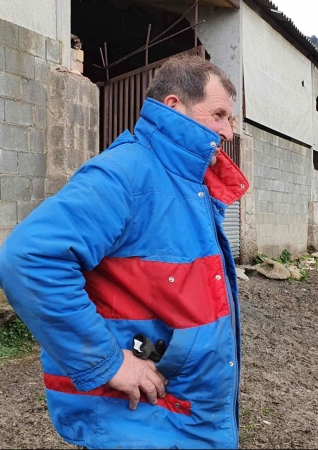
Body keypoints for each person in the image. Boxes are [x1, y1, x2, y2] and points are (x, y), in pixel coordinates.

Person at [0, 55, 248, 449]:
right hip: (143, 421)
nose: (228, 131)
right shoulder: (125, 174)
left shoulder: (188, 183)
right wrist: (108, 362)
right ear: (173, 106)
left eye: (230, 119)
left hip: (182, 413)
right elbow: (28, 258)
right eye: (218, 115)